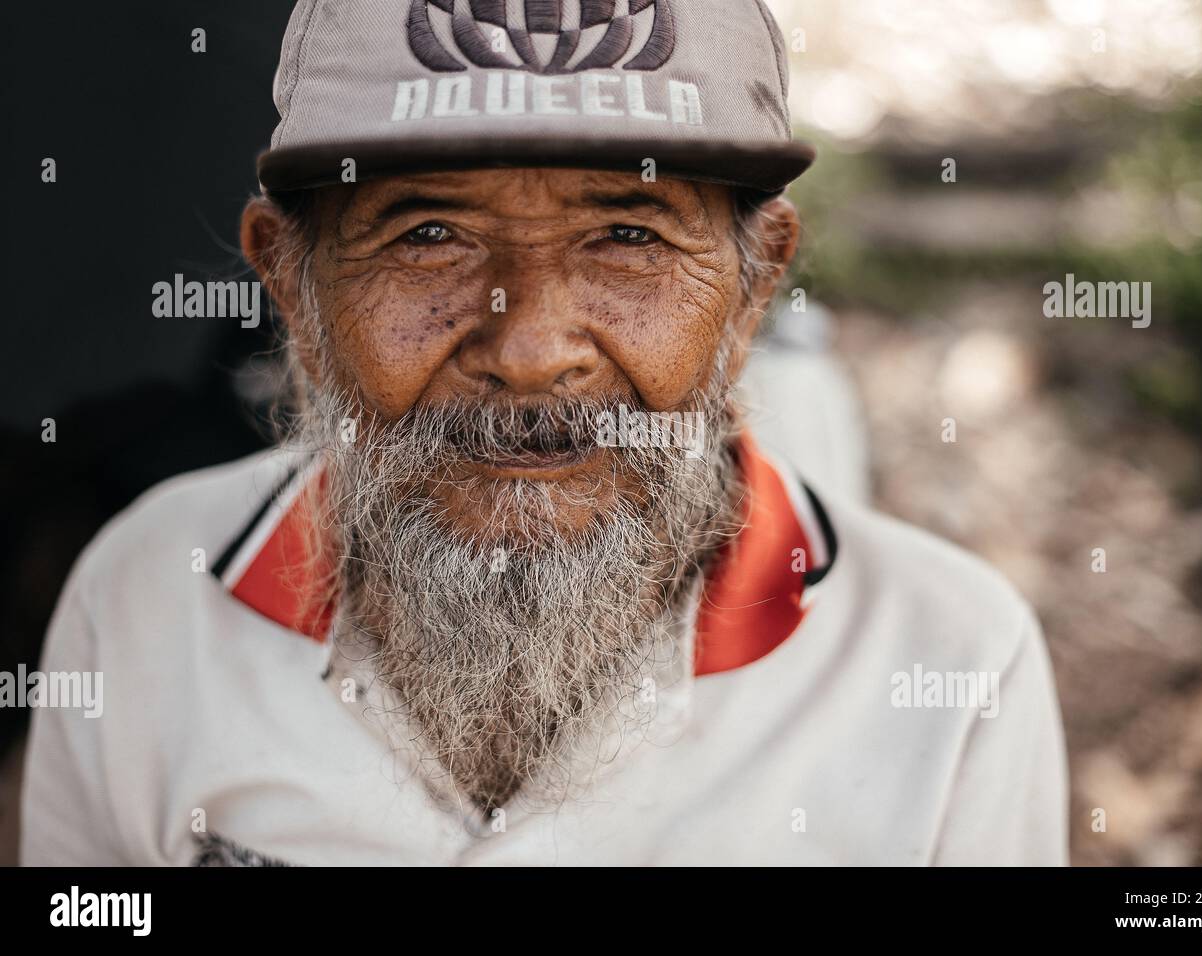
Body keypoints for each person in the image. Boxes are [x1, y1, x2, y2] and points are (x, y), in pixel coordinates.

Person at [21, 0, 1068, 865]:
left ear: (754, 286)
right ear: (289, 278)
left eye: (627, 234)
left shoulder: (951, 664)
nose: (526, 347)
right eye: (428, 235)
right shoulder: (147, 597)